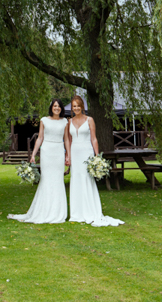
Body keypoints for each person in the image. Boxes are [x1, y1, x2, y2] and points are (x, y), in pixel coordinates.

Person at [8, 99, 71, 223]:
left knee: (58, 180)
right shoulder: (44, 120)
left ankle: (57, 211)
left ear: (61, 108)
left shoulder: (65, 121)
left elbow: (67, 139)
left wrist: (68, 155)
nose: (57, 108)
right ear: (51, 108)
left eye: (58, 106)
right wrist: (33, 154)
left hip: (58, 152)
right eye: (54, 106)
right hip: (47, 152)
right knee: (46, 180)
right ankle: (43, 210)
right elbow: (40, 138)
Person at [68, 95, 123, 227]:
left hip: (87, 152)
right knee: (76, 179)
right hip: (75, 153)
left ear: (82, 107)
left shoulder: (89, 120)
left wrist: (97, 156)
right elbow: (69, 141)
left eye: (78, 106)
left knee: (87, 179)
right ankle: (76, 212)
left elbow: (94, 139)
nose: (76, 108)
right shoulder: (69, 122)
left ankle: (90, 210)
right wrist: (68, 156)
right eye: (74, 106)